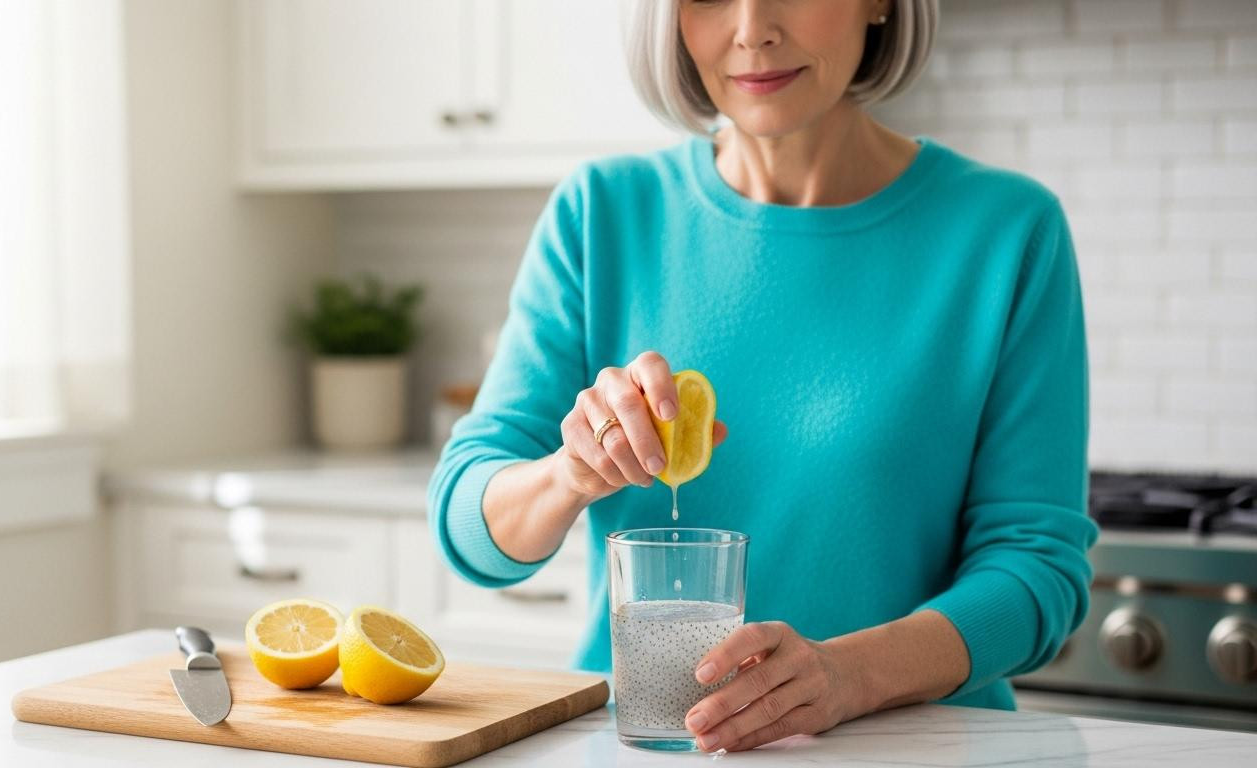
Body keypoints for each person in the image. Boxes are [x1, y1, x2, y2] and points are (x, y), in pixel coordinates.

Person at [427, 0, 1096, 753]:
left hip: (919, 749)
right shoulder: (601, 214)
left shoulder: (1007, 231)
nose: (752, 28)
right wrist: (571, 475)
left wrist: (847, 675)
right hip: (646, 747)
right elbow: (466, 528)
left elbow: (1038, 573)